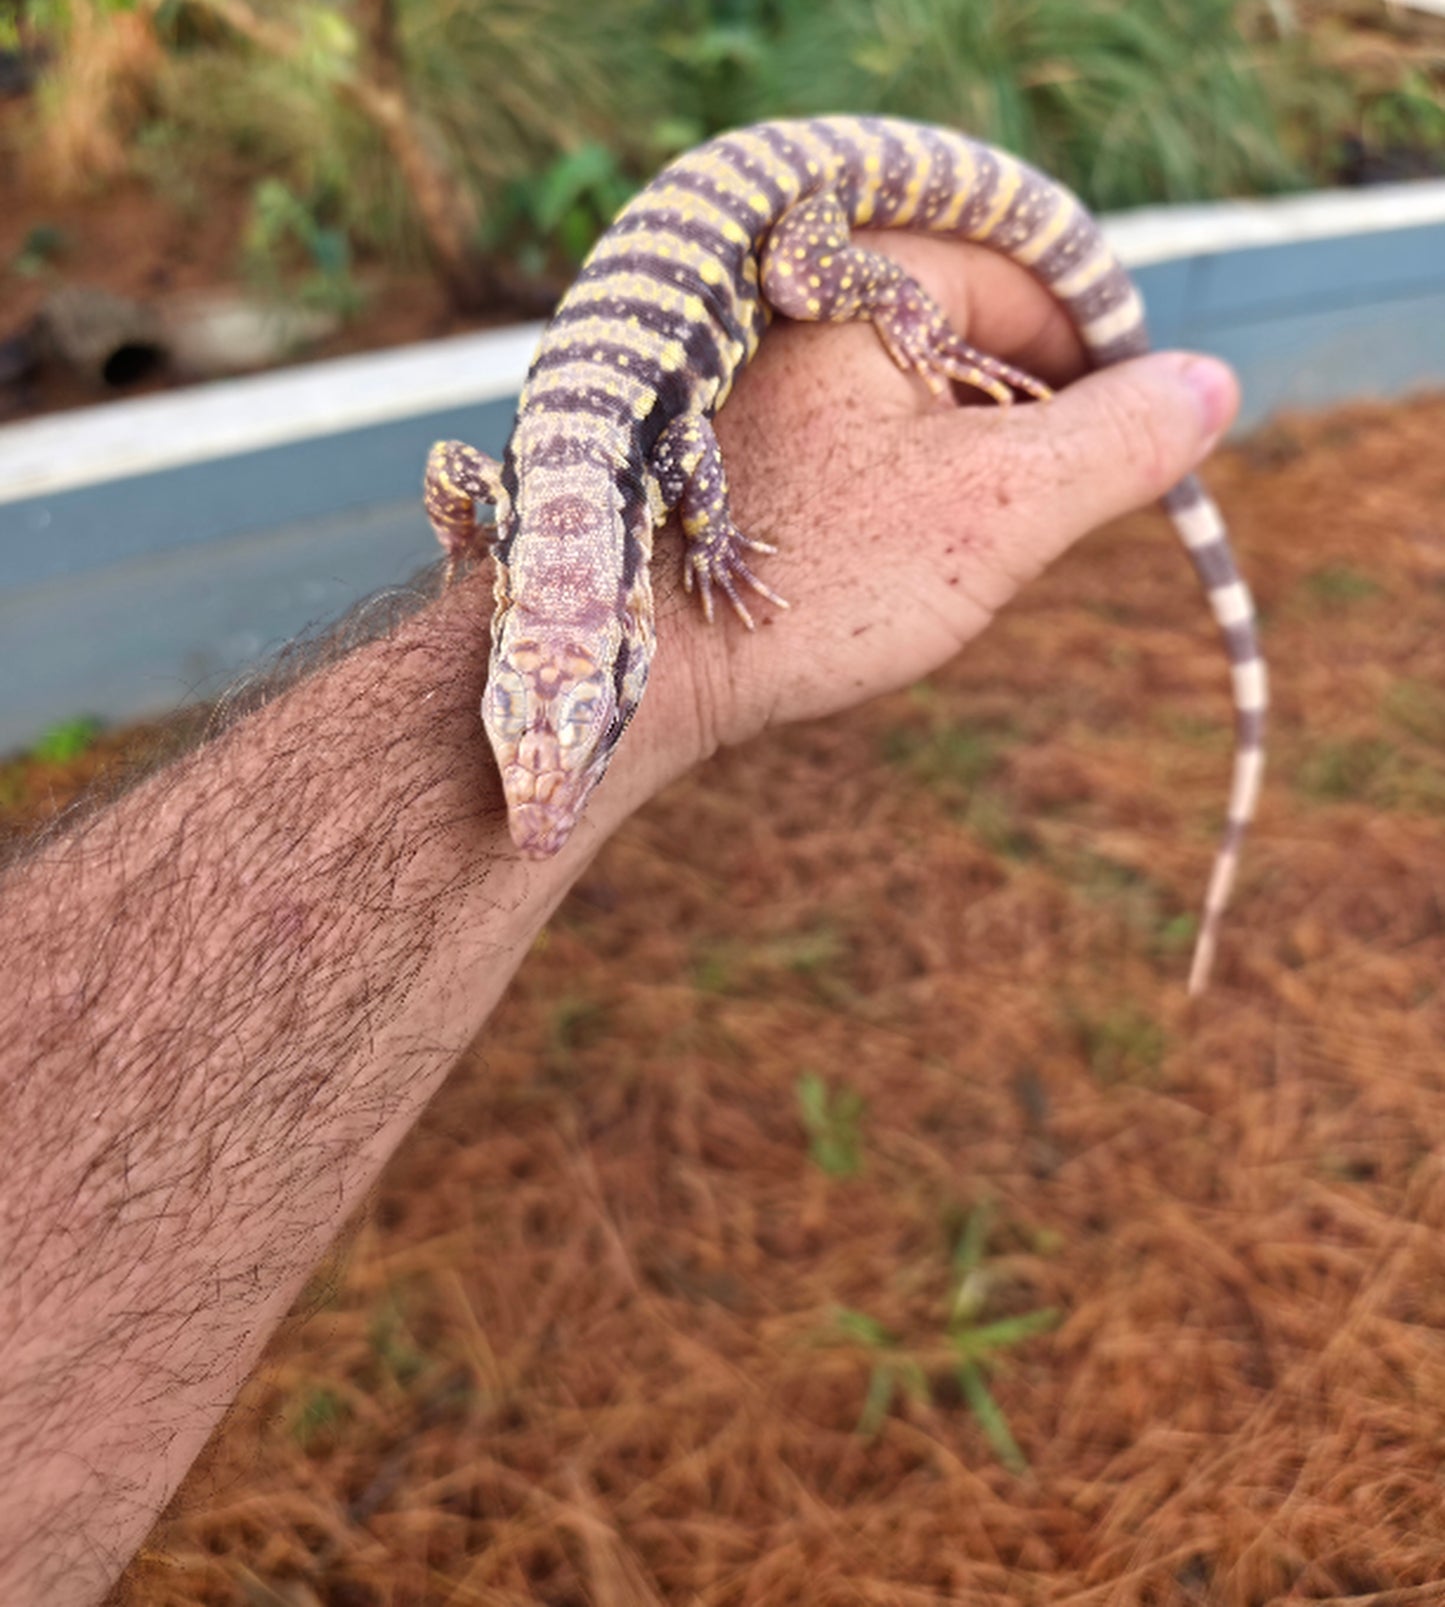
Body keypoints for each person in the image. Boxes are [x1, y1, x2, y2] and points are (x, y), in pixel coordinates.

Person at [0, 231, 1237, 1605]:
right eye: (529, 728)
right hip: (633, 339)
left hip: (739, 228)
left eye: (583, 740)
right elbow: (454, 478)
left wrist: (789, 446)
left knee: (812, 287)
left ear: (632, 650)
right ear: (523, 637)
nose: (545, 799)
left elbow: (651, 467)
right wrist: (503, 579)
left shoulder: (628, 484)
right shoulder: (527, 511)